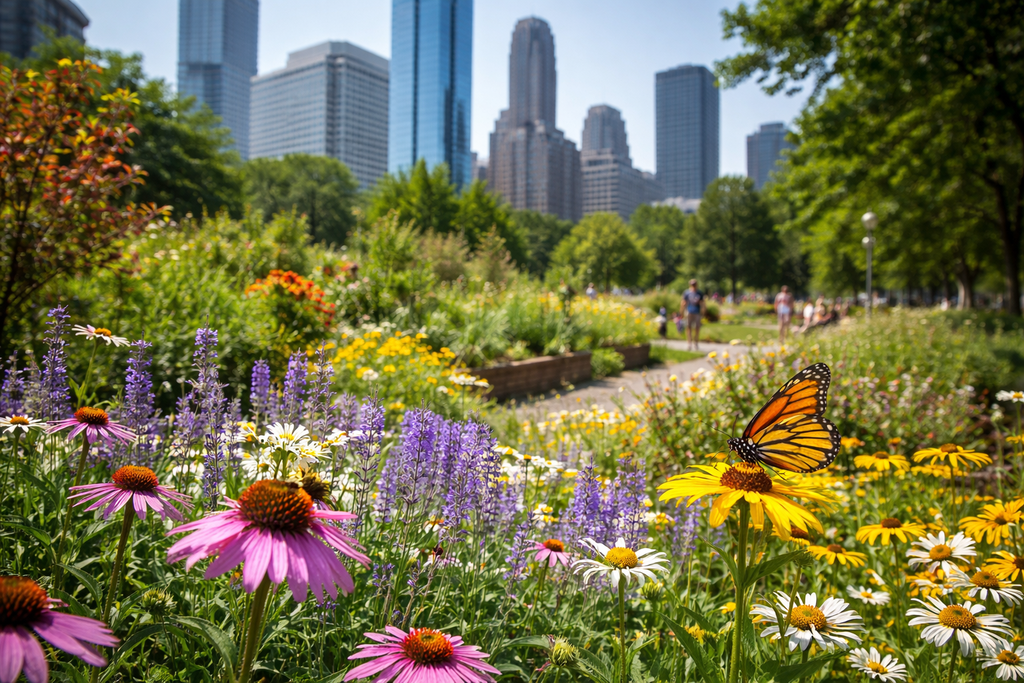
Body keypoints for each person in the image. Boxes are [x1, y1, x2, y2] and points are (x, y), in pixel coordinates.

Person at [680, 279, 706, 351]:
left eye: (694, 284)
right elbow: (683, 302)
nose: (693, 285)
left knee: (697, 328)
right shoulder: (687, 293)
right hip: (689, 311)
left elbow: (703, 303)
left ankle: (696, 343)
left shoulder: (699, 293)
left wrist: (703, 311)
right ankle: (689, 343)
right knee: (688, 328)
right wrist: (681, 311)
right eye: (692, 284)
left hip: (697, 312)